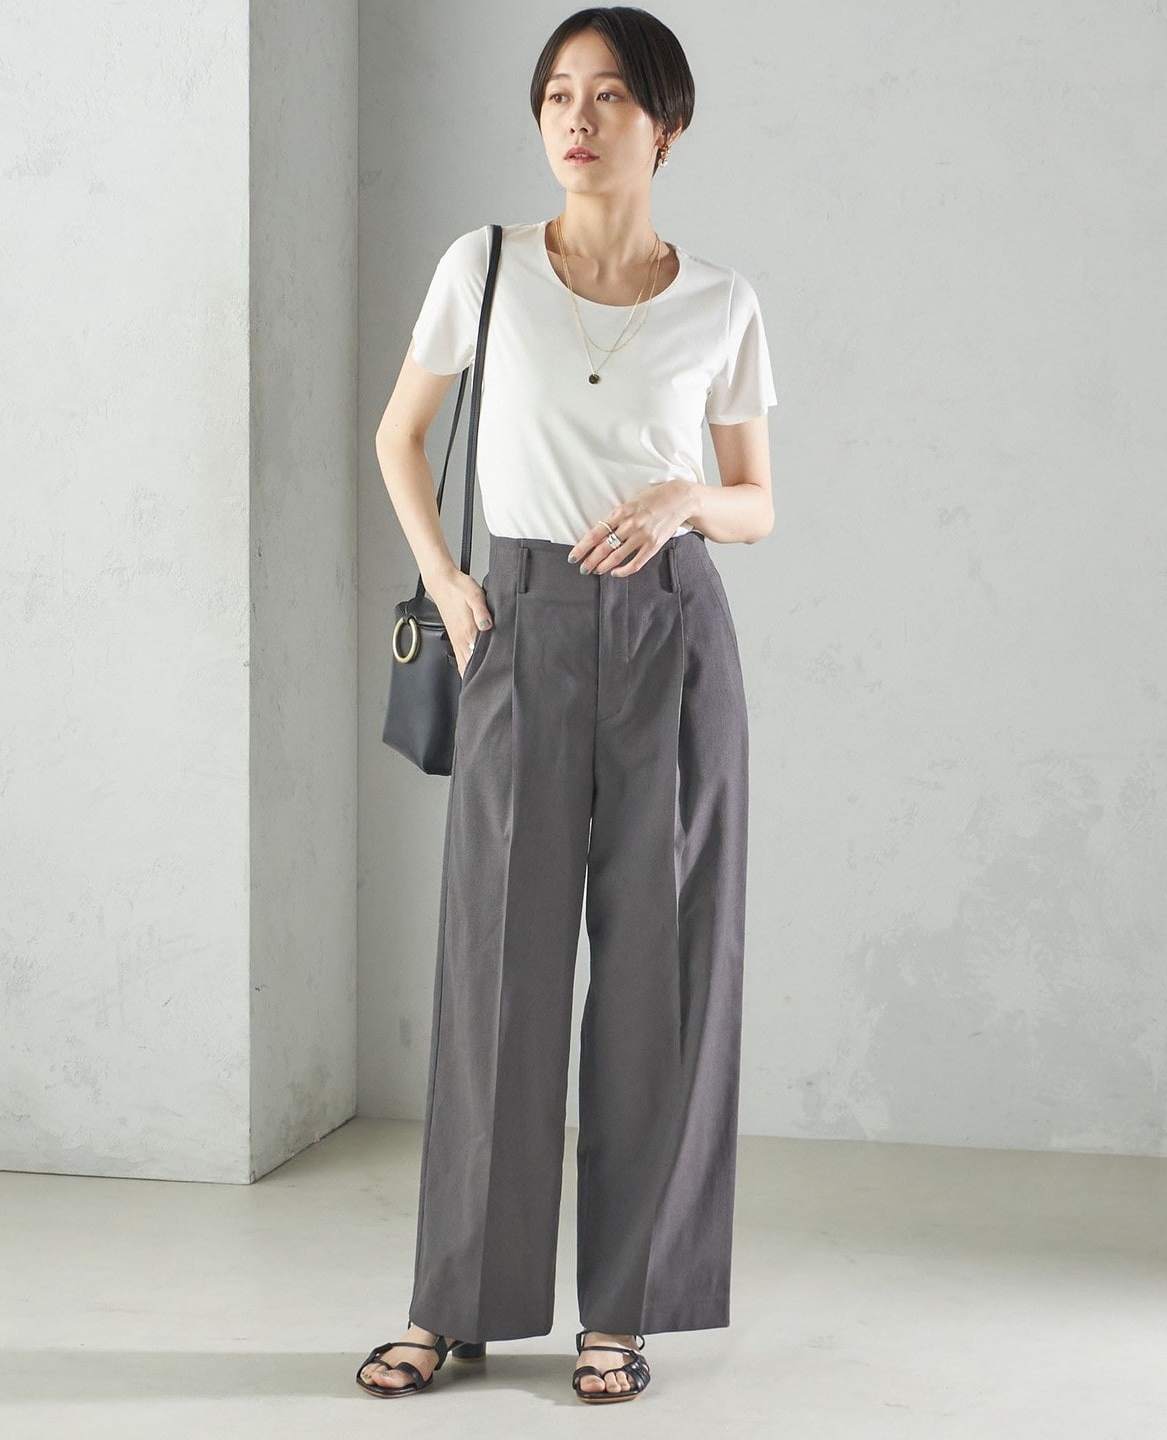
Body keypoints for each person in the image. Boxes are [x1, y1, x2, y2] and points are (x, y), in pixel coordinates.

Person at [358, 4, 776, 1405]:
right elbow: (400, 434)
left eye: (609, 96)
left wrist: (684, 498)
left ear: (669, 123)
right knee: (498, 969)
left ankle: (624, 1312)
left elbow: (759, 502)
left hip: (670, 634)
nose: (577, 120)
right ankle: (454, 1303)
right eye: (556, 95)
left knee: (661, 971)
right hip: (521, 622)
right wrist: (449, 582)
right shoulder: (482, 267)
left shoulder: (720, 302)